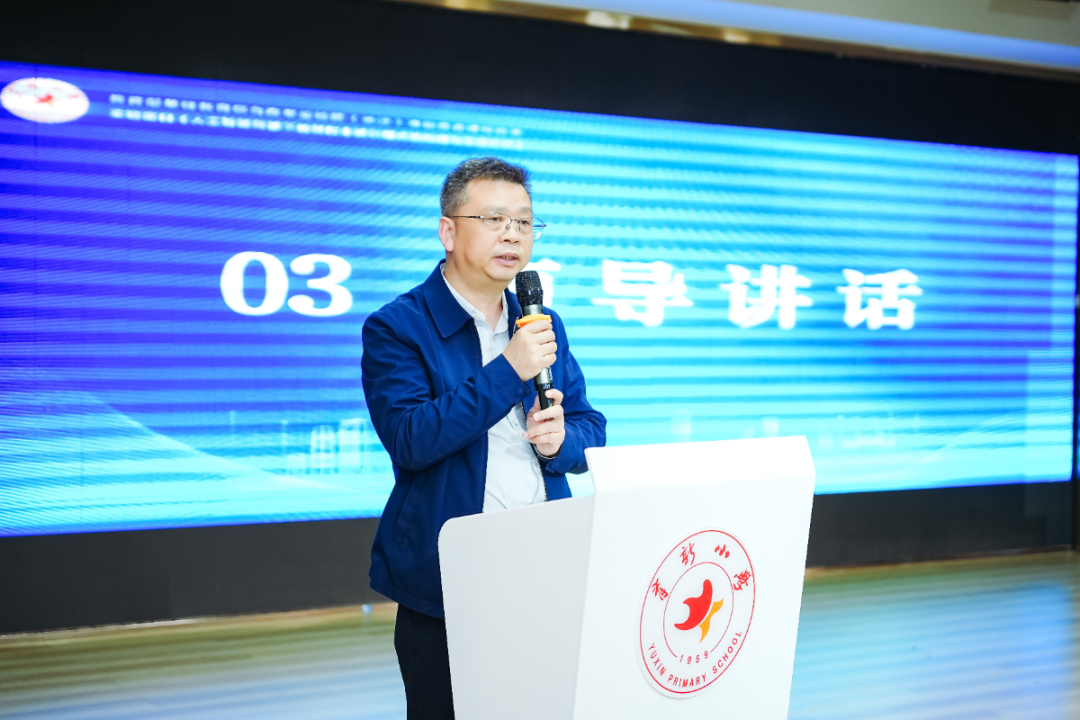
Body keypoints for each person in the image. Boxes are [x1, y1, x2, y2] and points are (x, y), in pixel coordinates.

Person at [361, 157, 607, 719]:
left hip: (546, 572)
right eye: (495, 219)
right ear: (448, 231)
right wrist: (509, 369)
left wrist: (559, 442)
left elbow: (589, 428)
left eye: (524, 222)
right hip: (450, 584)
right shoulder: (398, 327)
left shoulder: (541, 322)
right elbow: (411, 438)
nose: (512, 235)